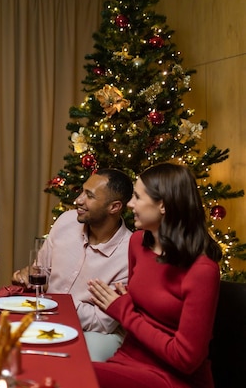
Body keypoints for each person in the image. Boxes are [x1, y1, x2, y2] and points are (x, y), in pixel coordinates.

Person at [89, 162, 221, 388]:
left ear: (163, 206)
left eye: (138, 198)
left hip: (172, 378)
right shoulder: (137, 242)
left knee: (71, 375)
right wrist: (125, 300)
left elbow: (186, 359)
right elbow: (141, 305)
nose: (130, 204)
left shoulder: (202, 270)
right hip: (128, 360)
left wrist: (123, 311)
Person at [12, 168, 133, 361]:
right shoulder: (66, 221)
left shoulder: (128, 253)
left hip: (97, 334)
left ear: (114, 207)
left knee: (81, 360)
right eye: (82, 191)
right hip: (47, 315)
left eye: (89, 196)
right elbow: (42, 272)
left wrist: (56, 301)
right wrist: (28, 275)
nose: (78, 200)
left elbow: (102, 322)